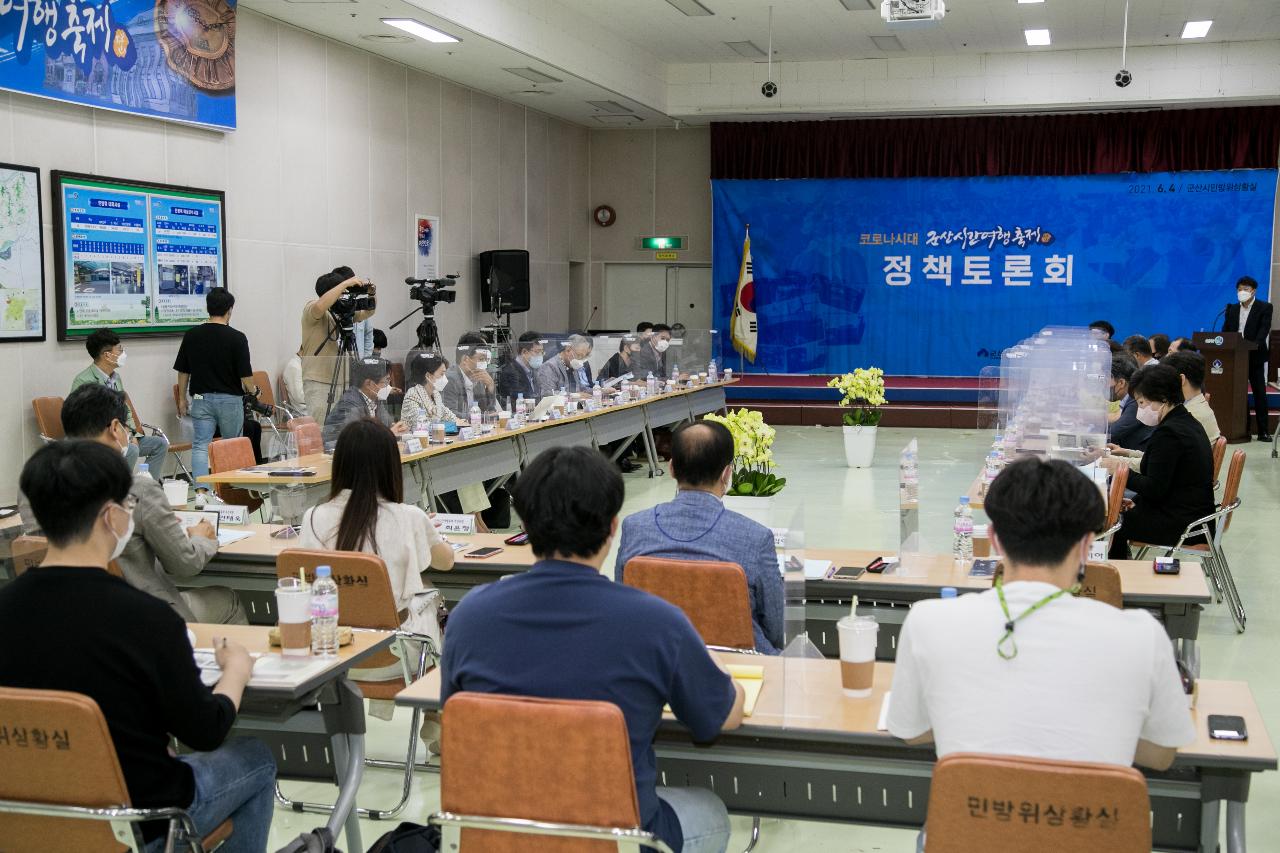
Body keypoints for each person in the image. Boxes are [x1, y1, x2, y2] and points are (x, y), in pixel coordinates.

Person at [442, 445, 745, 853]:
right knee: (709, 809)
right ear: (613, 527)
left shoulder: (468, 616)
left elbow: (456, 718)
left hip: (498, 832)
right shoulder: (656, 622)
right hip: (615, 838)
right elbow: (720, 717)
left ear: (526, 525)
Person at [0, 440, 276, 851]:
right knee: (256, 757)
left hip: (25, 819)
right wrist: (235, 671)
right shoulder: (147, 619)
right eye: (128, 506)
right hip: (139, 820)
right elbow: (205, 731)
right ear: (111, 516)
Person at [887, 456, 1195, 769]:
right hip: (1087, 815)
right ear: (1086, 545)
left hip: (971, 814)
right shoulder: (1142, 636)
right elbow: (1161, 754)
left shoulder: (927, 622)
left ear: (994, 540)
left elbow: (910, 732)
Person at [19, 385, 246, 623]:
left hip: (62, 613)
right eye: (128, 429)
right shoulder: (137, 490)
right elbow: (185, 564)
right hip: (143, 612)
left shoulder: (32, 488)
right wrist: (200, 537)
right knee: (228, 600)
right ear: (116, 428)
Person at [300, 419, 454, 735]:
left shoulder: (313, 517)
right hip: (396, 654)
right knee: (439, 607)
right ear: (390, 466)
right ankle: (435, 717)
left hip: (332, 653)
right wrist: (429, 533)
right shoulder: (408, 517)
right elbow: (446, 562)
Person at [615, 420, 784, 654]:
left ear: (672, 468)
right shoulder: (755, 537)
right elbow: (775, 628)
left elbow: (624, 609)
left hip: (653, 661)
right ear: (727, 473)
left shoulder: (635, 527)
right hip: (737, 669)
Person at [1102, 364, 1216, 559]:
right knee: (1115, 516)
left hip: (1182, 523)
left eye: (1142, 402)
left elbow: (1155, 487)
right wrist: (1135, 502)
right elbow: (1161, 478)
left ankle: (1115, 580)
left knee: (1108, 523)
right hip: (1188, 514)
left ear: (1162, 399)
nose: (1140, 409)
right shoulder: (1184, 422)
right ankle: (1121, 574)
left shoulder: (1170, 433)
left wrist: (1118, 469)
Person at [173, 288, 257, 481]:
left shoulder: (192, 335)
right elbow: (245, 375)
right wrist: (255, 391)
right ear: (230, 309)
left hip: (201, 398)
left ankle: (202, 491)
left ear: (208, 308)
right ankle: (231, 488)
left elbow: (183, 370)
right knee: (232, 444)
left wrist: (182, 399)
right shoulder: (237, 337)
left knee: (201, 445)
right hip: (229, 399)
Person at [71, 328, 168, 480]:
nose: (122, 353)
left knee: (160, 444)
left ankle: (147, 489)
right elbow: (84, 421)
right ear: (107, 355)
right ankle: (120, 494)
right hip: (98, 441)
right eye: (119, 349)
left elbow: (125, 409)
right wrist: (121, 438)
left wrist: (132, 434)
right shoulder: (84, 381)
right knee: (131, 450)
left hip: (123, 436)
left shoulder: (116, 378)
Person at [1107, 351, 1220, 472]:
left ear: (1181, 380)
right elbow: (1161, 457)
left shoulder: (1189, 417)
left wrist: (1115, 462)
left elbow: (1158, 467)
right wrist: (1126, 453)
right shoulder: (1193, 408)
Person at [300, 266, 376, 424]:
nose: (345, 296)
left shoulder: (339, 313)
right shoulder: (312, 309)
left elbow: (368, 312)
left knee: (345, 429)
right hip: (319, 382)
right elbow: (320, 306)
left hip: (344, 380)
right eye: (342, 292)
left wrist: (371, 293)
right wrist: (344, 284)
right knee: (323, 428)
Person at [1223, 275, 1273, 441]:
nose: (1242, 292)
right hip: (1235, 359)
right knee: (1238, 393)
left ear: (1253, 291)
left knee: (1259, 393)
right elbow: (1225, 333)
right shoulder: (1231, 309)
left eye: (1246, 289)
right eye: (1239, 289)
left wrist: (1250, 346)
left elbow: (1263, 331)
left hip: (1255, 357)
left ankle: (1263, 431)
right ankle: (1243, 428)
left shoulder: (1264, 307)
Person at [322, 358, 405, 449]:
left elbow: (387, 425)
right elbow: (356, 441)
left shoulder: (375, 398)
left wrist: (397, 427)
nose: (388, 387)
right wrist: (389, 434)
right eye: (386, 381)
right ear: (368, 383)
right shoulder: (350, 405)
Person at [441, 333, 497, 420]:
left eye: (486, 360)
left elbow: (490, 411)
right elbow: (450, 414)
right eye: (481, 359)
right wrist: (483, 417)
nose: (485, 364)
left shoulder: (478, 377)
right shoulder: (450, 379)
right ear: (465, 359)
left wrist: (490, 387)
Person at [1108, 352, 1153, 452]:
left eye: (1106, 380)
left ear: (1121, 383)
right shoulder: (1129, 399)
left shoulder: (1135, 401)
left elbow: (1114, 432)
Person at [537, 333, 594, 398]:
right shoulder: (549, 367)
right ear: (568, 350)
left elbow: (580, 388)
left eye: (583, 357)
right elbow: (548, 393)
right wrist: (575, 395)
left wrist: (599, 391)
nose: (580, 360)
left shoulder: (572, 366)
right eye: (579, 355)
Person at [496, 331, 544, 405]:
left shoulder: (532, 370)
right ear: (524, 352)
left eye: (542, 352)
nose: (540, 355)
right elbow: (519, 402)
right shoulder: (510, 372)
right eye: (537, 352)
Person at [282, 349, 307, 416]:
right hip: (303, 414)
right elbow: (299, 397)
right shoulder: (294, 366)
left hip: (312, 408)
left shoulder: (303, 362)